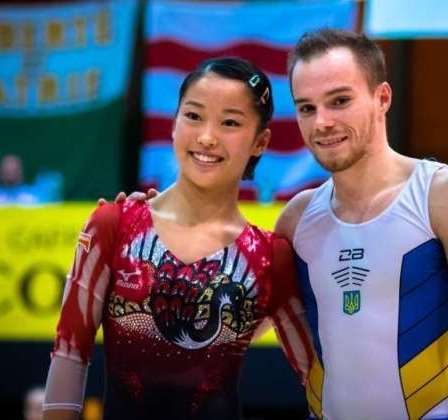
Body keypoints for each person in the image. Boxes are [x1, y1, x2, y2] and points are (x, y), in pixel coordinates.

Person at [42, 58, 314, 420]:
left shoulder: (268, 258)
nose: (207, 137)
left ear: (260, 142)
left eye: (230, 123)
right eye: (194, 116)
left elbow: (318, 378)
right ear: (173, 123)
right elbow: (69, 353)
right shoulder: (114, 225)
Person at [273, 29, 448, 419]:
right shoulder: (296, 219)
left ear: (382, 98)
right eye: (307, 108)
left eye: (340, 101)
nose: (322, 122)